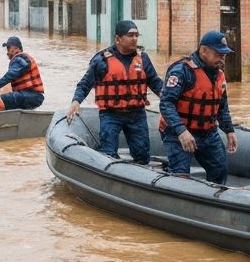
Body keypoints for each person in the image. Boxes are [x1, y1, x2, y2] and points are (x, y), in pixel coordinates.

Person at [67, 20, 164, 164]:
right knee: (108, 155)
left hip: (136, 114)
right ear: (118, 39)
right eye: (130, 35)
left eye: (137, 35)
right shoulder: (102, 60)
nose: (135, 39)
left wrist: (168, 102)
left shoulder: (142, 59)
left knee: (142, 154)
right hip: (111, 114)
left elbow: (156, 83)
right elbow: (85, 84)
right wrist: (76, 101)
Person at [159, 29, 238, 184]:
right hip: (178, 133)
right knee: (180, 177)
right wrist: (182, 132)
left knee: (219, 170)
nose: (222, 59)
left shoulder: (219, 75)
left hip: (208, 133)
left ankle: (214, 202)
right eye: (218, 54)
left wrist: (229, 130)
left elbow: (221, 106)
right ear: (203, 51)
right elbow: (166, 103)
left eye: (224, 55)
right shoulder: (182, 71)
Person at [0, 35, 45, 113]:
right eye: (7, 49)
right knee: (7, 101)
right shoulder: (22, 59)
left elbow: (10, 75)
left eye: (9, 48)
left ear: (18, 49)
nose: (8, 52)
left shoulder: (20, 58)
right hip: (31, 96)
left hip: (31, 96)